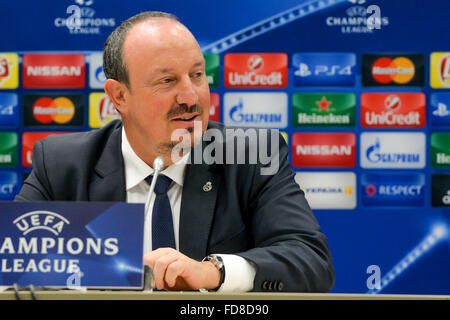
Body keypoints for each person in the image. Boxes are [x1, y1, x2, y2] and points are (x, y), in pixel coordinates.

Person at [15, 11, 334, 292]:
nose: (190, 97)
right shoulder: (62, 164)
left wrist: (213, 272)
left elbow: (310, 260)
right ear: (119, 96)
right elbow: (14, 262)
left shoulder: (250, 156)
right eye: (167, 81)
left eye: (197, 75)